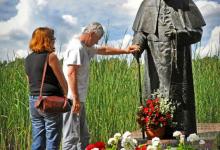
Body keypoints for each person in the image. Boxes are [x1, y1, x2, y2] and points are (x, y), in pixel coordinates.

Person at [132, 0, 206, 138]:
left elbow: (197, 32)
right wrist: (137, 45)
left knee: (179, 97)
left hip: (179, 63)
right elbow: (141, 32)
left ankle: (182, 133)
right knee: (155, 95)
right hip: (155, 62)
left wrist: (179, 34)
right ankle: (156, 134)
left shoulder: (185, 3)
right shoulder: (148, 3)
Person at [62, 22, 139, 150]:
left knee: (84, 136)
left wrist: (125, 50)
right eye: (96, 39)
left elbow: (104, 50)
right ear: (91, 34)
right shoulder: (77, 48)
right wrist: (75, 98)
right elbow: (71, 73)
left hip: (78, 99)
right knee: (71, 138)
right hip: (72, 99)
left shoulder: (85, 45)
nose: (96, 42)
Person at [25, 27, 68, 149]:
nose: (54, 40)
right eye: (53, 38)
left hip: (34, 101)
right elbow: (62, 81)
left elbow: (30, 81)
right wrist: (66, 96)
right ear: (47, 40)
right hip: (50, 102)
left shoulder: (27, 59)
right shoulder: (51, 57)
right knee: (52, 138)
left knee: (38, 136)